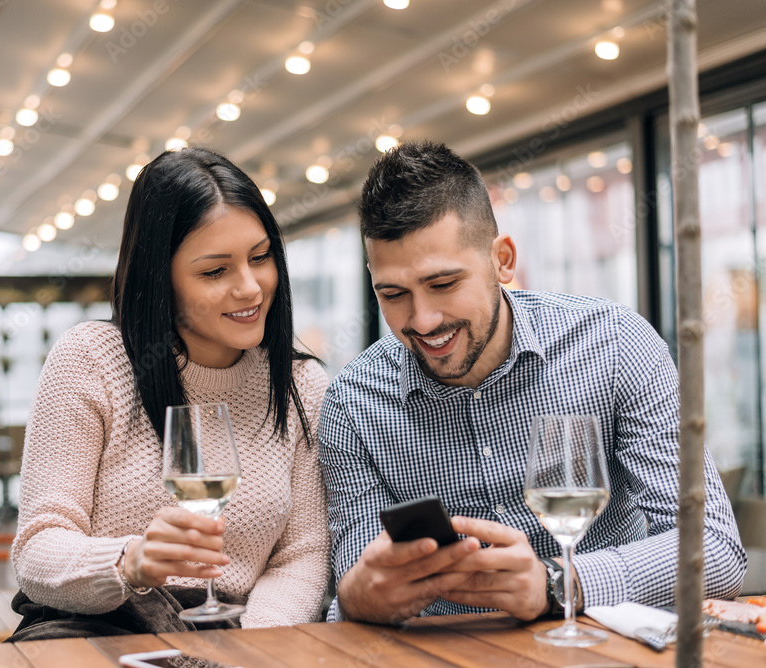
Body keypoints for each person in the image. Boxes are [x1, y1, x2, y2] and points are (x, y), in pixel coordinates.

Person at [319, 140, 747, 624]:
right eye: (393, 294)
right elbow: (357, 577)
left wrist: (557, 584)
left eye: (443, 284)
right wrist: (357, 595)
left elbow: (712, 549)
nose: (422, 319)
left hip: (599, 640)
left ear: (503, 260)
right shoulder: (353, 401)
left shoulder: (614, 344)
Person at [9, 147, 330, 639]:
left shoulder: (300, 386)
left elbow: (303, 558)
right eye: (214, 271)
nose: (250, 287)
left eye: (260, 257)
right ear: (160, 279)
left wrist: (248, 649)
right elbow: (37, 550)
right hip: (97, 632)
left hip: (236, 637)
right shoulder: (93, 360)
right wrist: (129, 561)